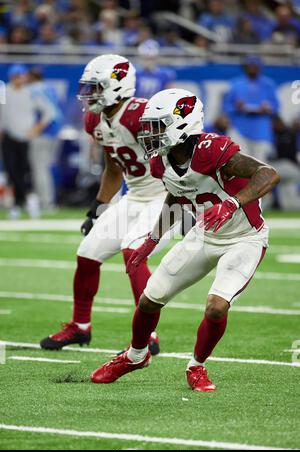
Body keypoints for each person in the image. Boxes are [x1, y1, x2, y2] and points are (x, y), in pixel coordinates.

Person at [90, 88, 280, 392]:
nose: (149, 134)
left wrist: (232, 203)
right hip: (204, 234)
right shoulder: (161, 161)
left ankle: (196, 366)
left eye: (157, 126)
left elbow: (268, 174)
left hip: (245, 237)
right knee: (150, 299)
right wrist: (152, 239)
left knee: (216, 307)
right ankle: (136, 356)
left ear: (182, 123)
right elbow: (177, 195)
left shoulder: (210, 149)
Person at [40, 54, 179, 355]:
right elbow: (114, 169)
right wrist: (98, 208)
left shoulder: (141, 114)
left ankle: (148, 335)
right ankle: (80, 327)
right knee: (88, 254)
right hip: (137, 197)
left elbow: (179, 152)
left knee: (134, 252)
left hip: (169, 199)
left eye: (96, 87)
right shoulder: (95, 119)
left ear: (117, 86)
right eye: (87, 87)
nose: (89, 94)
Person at [0, 64, 40, 219]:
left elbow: (49, 112)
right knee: (11, 170)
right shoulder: (4, 91)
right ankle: (27, 199)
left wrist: (36, 128)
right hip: (8, 136)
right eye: (15, 76)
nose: (18, 79)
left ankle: (20, 203)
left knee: (23, 171)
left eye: (20, 75)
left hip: (25, 138)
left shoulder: (31, 93)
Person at [223, 55, 279, 163]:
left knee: (260, 165)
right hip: (240, 128)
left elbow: (276, 107)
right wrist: (236, 107)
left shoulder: (268, 84)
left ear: (260, 67)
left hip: (261, 130)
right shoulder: (235, 84)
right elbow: (226, 107)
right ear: (245, 67)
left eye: (255, 65)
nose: (252, 68)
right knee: (238, 163)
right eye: (250, 65)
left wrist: (268, 108)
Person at [28, 67, 63, 211]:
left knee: (40, 169)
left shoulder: (33, 90)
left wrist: (36, 129)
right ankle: (47, 200)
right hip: (55, 132)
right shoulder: (50, 88)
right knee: (45, 169)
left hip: (44, 133)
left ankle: (45, 202)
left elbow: (49, 113)